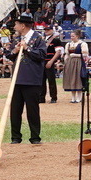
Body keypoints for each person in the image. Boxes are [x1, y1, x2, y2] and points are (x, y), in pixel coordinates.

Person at [9, 14, 48, 145]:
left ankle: (35, 137)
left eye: (16, 24)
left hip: (32, 80)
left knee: (32, 110)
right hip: (16, 79)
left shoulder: (38, 38)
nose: (15, 27)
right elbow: (10, 56)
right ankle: (15, 137)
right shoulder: (17, 39)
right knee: (15, 110)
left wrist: (27, 48)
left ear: (23, 26)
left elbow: (41, 55)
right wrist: (15, 51)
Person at [62, 30, 87, 104]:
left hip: (79, 62)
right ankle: (73, 97)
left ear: (77, 36)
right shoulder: (68, 44)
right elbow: (66, 54)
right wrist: (65, 60)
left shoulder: (82, 44)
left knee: (78, 78)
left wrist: (76, 55)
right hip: (70, 63)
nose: (71, 37)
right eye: (71, 36)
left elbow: (85, 54)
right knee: (71, 78)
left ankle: (79, 97)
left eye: (73, 36)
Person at [43, 25, 62, 103]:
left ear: (52, 30)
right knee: (41, 81)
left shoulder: (56, 40)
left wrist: (51, 61)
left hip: (50, 61)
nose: (46, 31)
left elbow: (58, 52)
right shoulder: (43, 40)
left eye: (48, 30)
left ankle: (53, 97)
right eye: (45, 30)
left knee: (51, 81)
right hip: (42, 62)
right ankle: (41, 97)